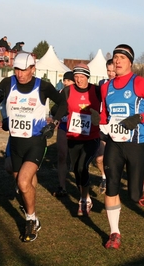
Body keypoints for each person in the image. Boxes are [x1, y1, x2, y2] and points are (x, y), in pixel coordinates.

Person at [0, 52, 67, 242]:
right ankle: (31, 208)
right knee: (20, 180)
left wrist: (53, 123)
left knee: (23, 182)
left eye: (24, 70)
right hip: (15, 142)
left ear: (33, 69)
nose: (20, 74)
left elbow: (63, 103)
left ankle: (31, 219)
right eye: (16, 69)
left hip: (36, 141)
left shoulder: (42, 86)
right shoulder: (7, 84)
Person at [100, 44, 144, 249]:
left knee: (134, 195)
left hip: (136, 143)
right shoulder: (106, 86)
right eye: (115, 57)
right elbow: (104, 116)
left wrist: (138, 118)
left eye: (122, 57)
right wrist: (98, 123)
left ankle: (142, 189)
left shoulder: (140, 83)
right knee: (111, 185)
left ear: (130, 62)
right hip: (114, 144)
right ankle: (114, 233)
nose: (117, 61)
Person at [57, 64, 101, 215]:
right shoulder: (68, 90)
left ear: (88, 77)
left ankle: (83, 200)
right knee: (76, 169)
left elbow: (106, 108)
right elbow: (61, 108)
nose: (79, 80)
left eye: (82, 77)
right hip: (74, 136)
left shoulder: (96, 90)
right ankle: (87, 197)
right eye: (76, 77)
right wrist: (55, 120)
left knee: (83, 166)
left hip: (92, 136)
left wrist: (100, 117)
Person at [52, 71, 75, 197]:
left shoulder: (80, 92)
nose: (65, 83)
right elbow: (54, 109)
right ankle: (62, 186)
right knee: (61, 155)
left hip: (77, 129)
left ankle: (82, 188)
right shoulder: (61, 92)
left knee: (77, 159)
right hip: (63, 126)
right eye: (65, 80)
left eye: (68, 80)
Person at [96, 59, 116, 194]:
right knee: (99, 158)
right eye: (108, 71)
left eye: (113, 71)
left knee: (115, 159)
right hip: (103, 126)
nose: (110, 74)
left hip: (118, 127)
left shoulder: (124, 86)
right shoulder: (102, 84)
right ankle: (104, 177)